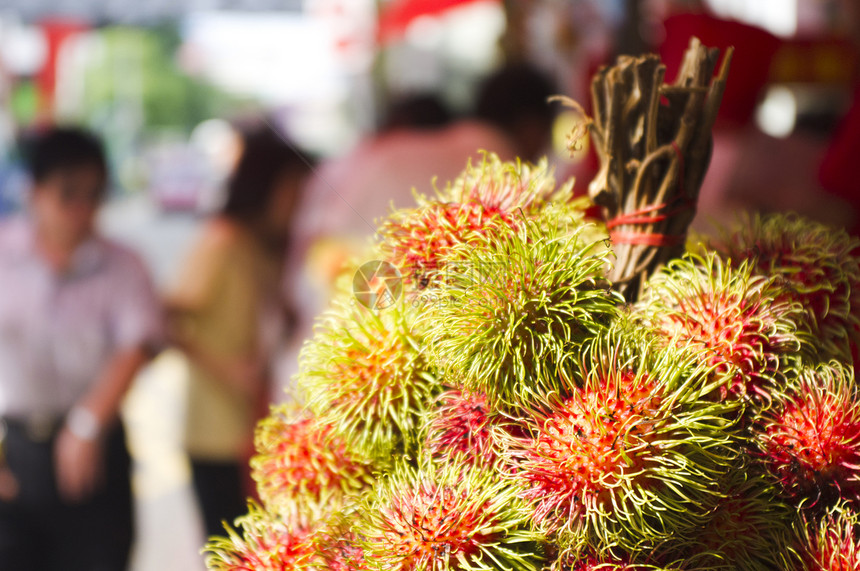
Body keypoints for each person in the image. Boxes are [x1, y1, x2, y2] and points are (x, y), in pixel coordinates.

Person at [0, 126, 163, 570]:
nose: (82, 209)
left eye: (93, 195)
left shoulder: (123, 265)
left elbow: (139, 342)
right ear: (34, 192)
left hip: (97, 448)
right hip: (15, 450)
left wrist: (88, 423)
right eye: (67, 194)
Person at [166, 125, 311, 539]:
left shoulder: (258, 246)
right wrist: (226, 369)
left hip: (253, 428)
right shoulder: (221, 242)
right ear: (268, 186)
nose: (298, 204)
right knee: (234, 551)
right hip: (216, 436)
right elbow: (168, 319)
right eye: (293, 191)